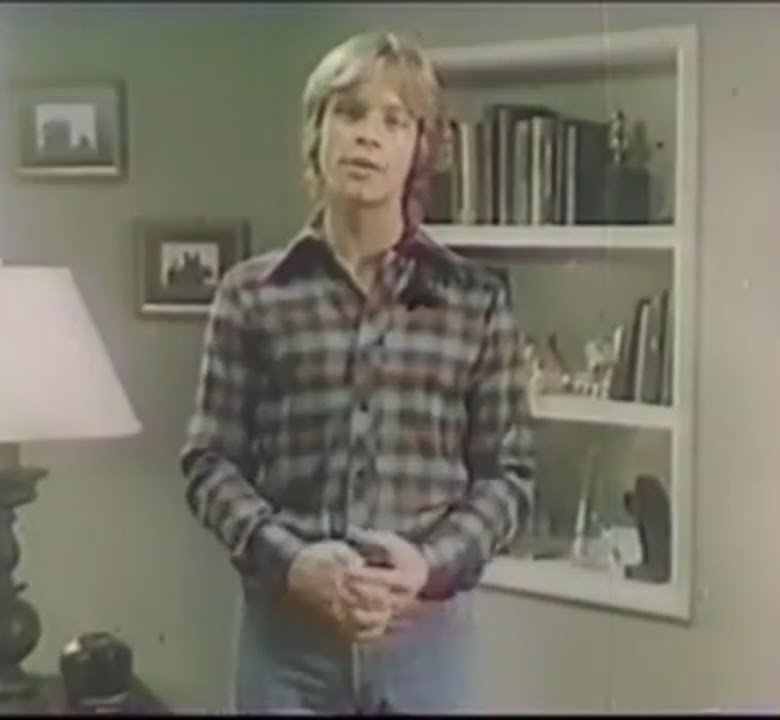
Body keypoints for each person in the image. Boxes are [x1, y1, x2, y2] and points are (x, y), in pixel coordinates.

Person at [179, 29, 535, 714]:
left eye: (393, 120)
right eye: (348, 113)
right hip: (287, 649)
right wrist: (293, 562)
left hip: (427, 647)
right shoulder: (253, 295)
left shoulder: (475, 300)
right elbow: (209, 462)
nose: (367, 135)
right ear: (316, 132)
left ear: (420, 148)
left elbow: (508, 477)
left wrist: (426, 565)